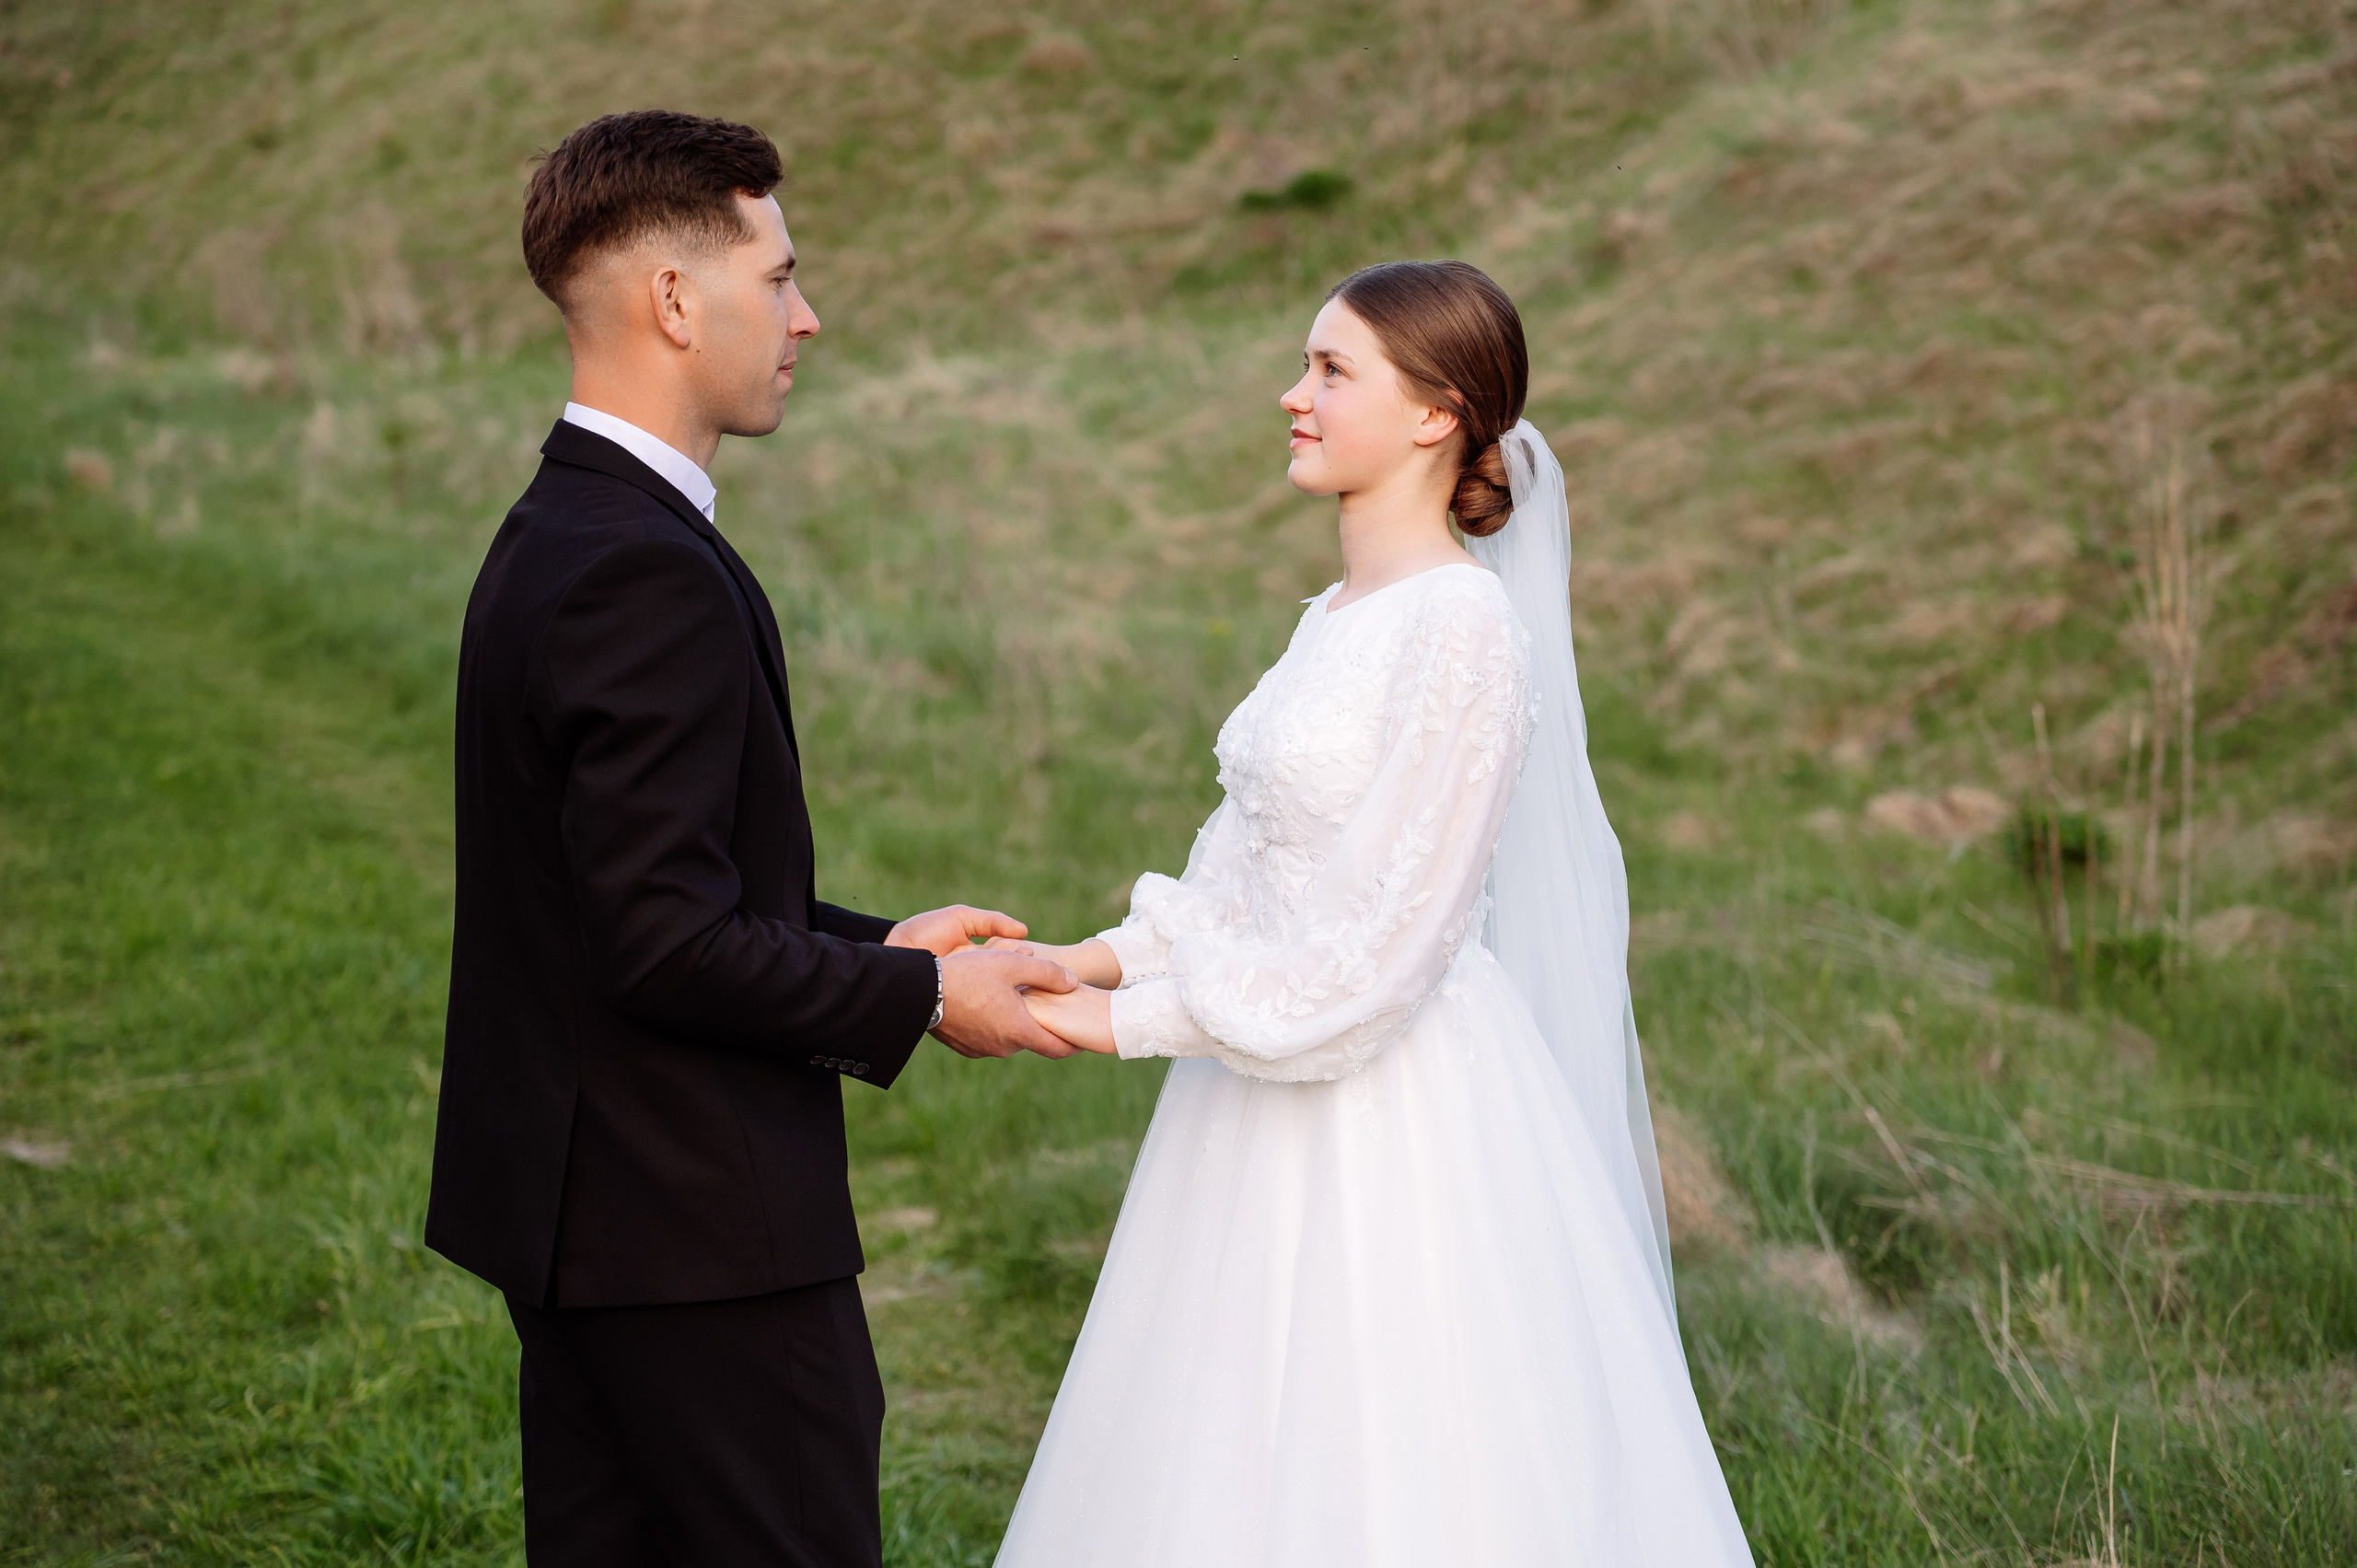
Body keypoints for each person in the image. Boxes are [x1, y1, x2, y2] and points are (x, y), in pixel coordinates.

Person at [994, 261, 1757, 1565]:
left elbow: (1377, 954)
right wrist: (1089, 958)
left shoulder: (1461, 631)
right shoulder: (1338, 615)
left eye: (1331, 371)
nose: (1293, 397)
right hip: (1254, 1083)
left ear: (1435, 414)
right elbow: (1247, 863)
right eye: (1306, 365)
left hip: (1393, 1109)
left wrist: (1108, 1029)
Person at [423, 110, 1079, 1568]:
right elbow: (664, 943)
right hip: (696, 1238)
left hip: (589, 1223)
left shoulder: (562, 527)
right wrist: (917, 998)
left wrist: (875, 944)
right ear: (674, 300)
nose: (808, 314)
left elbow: (636, 894)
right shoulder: (642, 571)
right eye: (778, 276)